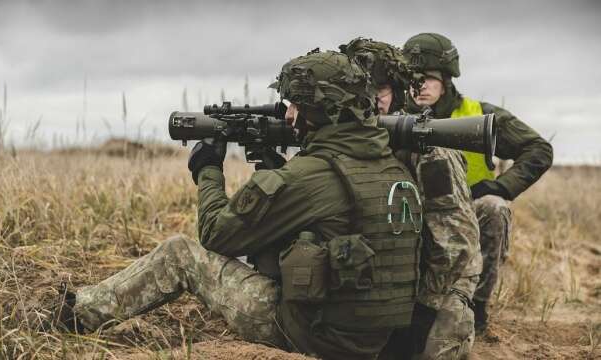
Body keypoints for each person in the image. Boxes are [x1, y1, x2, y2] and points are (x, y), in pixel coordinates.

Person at [51, 49, 432, 360]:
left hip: (313, 338)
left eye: (296, 105)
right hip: (373, 341)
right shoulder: (390, 167)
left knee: (180, 254)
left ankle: (77, 315)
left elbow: (218, 234)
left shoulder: (312, 174)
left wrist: (208, 169)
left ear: (321, 111)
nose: (289, 115)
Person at [402, 33, 554, 333]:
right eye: (413, 78)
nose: (420, 85)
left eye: (429, 78)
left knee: (494, 208)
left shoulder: (477, 113)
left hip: (466, 212)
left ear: (446, 79)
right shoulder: (394, 114)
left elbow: (538, 149)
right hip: (410, 213)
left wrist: (501, 187)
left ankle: (478, 307)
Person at [342, 37, 483, 360]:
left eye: (378, 93)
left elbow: (457, 246)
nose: (368, 102)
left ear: (399, 91)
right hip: (387, 271)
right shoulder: (349, 137)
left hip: (440, 279)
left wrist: (421, 314)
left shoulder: (428, 150)